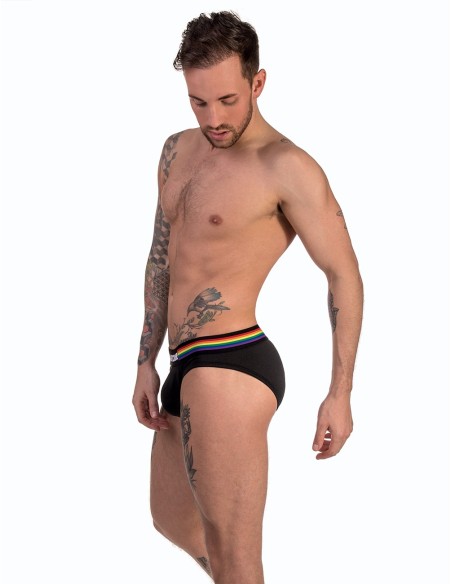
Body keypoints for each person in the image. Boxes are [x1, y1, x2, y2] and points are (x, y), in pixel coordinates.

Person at [132, 10, 363, 584]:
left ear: (258, 83)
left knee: (236, 557)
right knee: (171, 522)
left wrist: (339, 393)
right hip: (180, 362)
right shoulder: (175, 151)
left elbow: (344, 275)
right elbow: (162, 258)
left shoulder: (285, 167)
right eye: (198, 102)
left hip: (231, 361)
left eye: (228, 101)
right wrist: (144, 360)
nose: (213, 118)